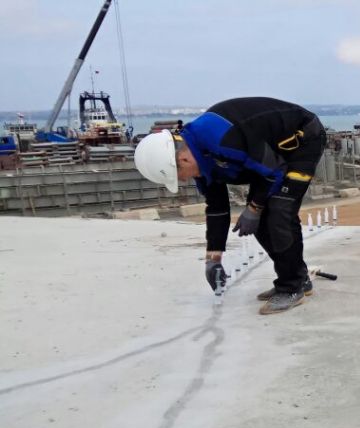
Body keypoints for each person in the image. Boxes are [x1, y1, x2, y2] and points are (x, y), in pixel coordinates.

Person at [134, 97, 327, 314]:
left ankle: (292, 288)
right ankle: (298, 278)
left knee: (279, 211)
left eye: (179, 176)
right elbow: (217, 208)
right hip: (270, 157)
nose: (185, 180)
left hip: (301, 142)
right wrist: (213, 258)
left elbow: (274, 172)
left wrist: (254, 208)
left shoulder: (222, 139)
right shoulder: (201, 157)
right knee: (260, 221)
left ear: (183, 160)